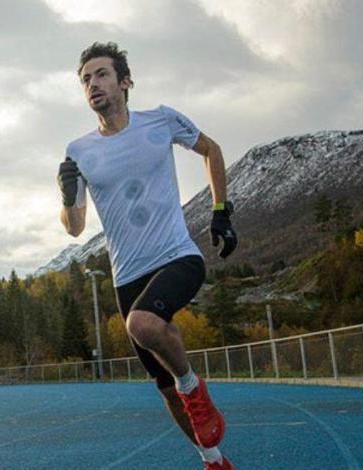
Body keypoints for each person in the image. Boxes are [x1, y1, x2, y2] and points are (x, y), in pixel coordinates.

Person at [57, 42, 238, 470]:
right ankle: (212, 460)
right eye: (85, 79)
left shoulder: (161, 120)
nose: (92, 85)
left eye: (101, 75)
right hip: (127, 276)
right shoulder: (79, 151)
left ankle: (194, 386)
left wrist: (221, 212)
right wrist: (65, 197)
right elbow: (75, 226)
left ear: (124, 82)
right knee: (164, 389)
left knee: (143, 324)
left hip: (176, 255)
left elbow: (211, 150)